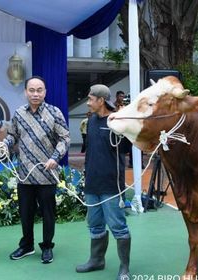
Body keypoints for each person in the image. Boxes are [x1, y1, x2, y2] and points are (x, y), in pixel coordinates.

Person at [4, 76, 70, 264]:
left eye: (39, 90)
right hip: (24, 174)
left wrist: (55, 158)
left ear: (45, 92)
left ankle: (47, 246)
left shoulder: (54, 112)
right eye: (31, 90)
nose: (35, 93)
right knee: (25, 212)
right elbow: (12, 136)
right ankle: (27, 245)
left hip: (47, 174)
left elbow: (65, 138)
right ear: (25, 92)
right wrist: (4, 145)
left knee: (48, 213)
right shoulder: (18, 114)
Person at [76, 84, 131, 280]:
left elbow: (126, 148)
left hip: (111, 185)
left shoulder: (116, 121)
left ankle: (124, 268)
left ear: (101, 101)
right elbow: (89, 150)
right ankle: (97, 260)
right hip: (92, 183)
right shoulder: (90, 121)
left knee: (118, 226)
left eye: (91, 99)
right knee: (95, 225)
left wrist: (124, 125)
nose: (88, 102)